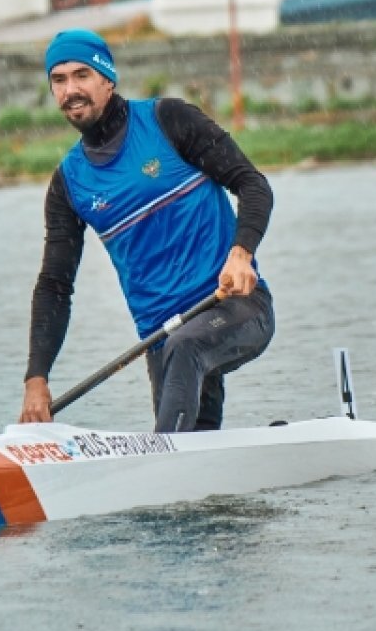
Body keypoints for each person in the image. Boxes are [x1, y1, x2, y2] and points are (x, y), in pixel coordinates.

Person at [18, 29, 275, 434]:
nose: (71, 90)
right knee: (194, 443)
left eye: (82, 75)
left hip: (237, 308)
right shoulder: (69, 183)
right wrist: (36, 379)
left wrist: (241, 254)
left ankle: (159, 463)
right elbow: (54, 285)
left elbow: (252, 184)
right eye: (59, 80)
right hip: (161, 337)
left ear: (108, 79)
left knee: (186, 349)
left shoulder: (169, 121)